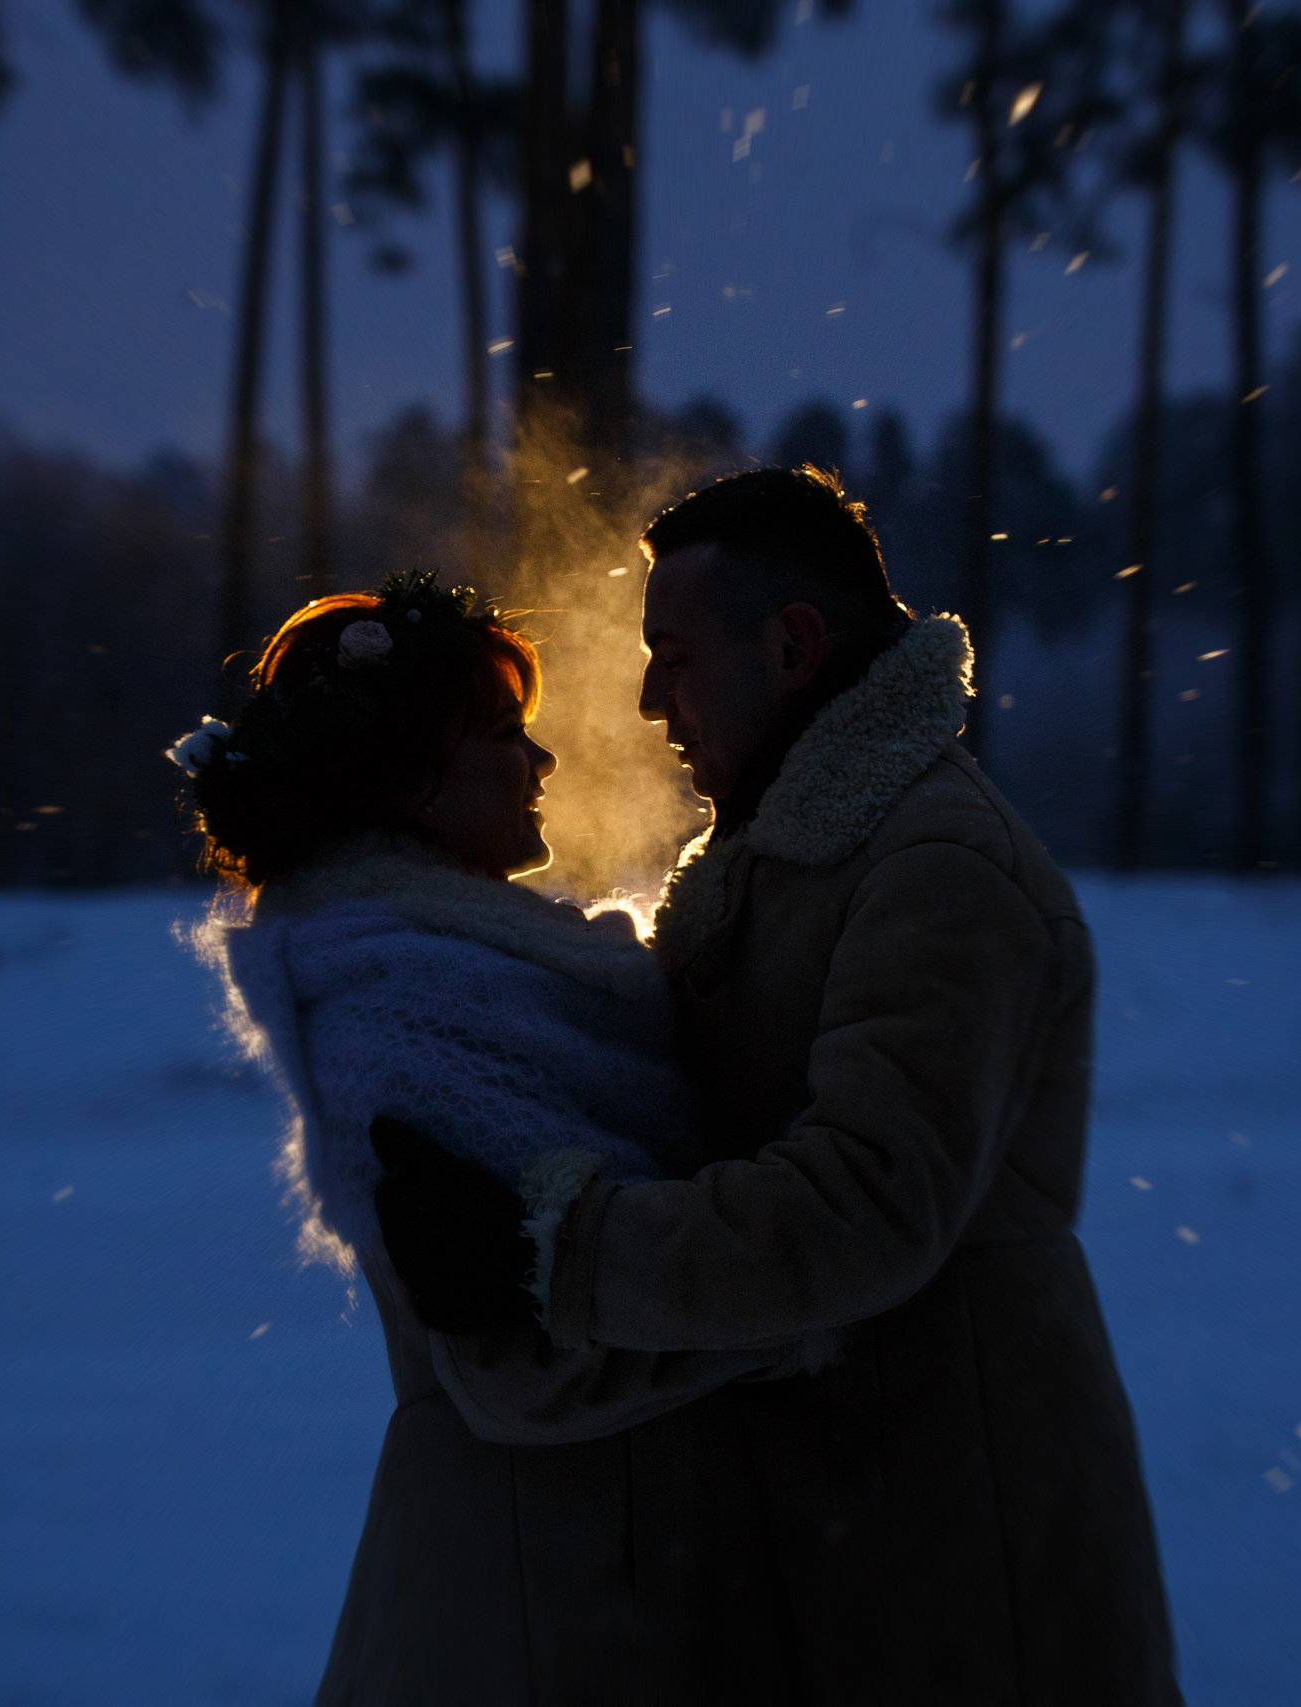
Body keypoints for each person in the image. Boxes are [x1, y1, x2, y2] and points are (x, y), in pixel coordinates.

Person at [372, 466, 1184, 1704]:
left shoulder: (938, 868)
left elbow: (860, 1204)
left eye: (675, 656)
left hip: (963, 1564)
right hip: (852, 1534)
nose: (648, 700)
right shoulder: (789, 859)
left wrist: (557, 1252)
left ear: (793, 647)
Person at [173, 571, 833, 1705]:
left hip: (606, 1561)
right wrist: (808, 1295)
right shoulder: (397, 1003)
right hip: (530, 1593)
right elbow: (523, 1362)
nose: (542, 764)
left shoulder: (483, 971)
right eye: (501, 734)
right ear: (409, 783)